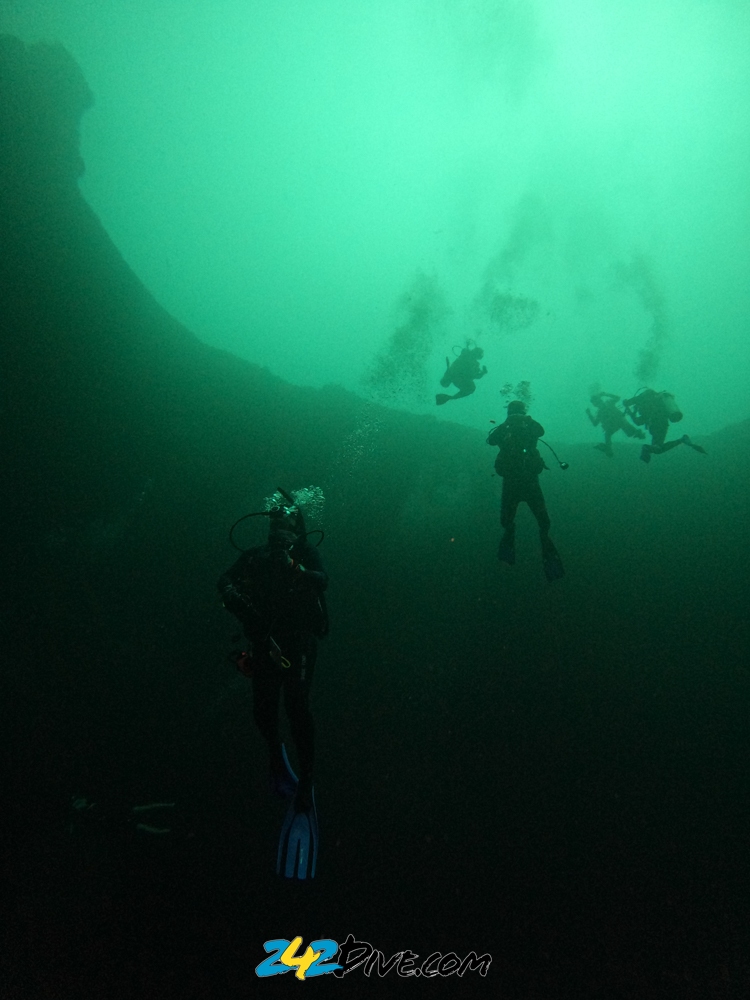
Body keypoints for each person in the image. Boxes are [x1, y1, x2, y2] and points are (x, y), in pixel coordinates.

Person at [217, 496, 328, 876]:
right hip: (265, 643)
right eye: (275, 522)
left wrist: (295, 566)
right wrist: (233, 598)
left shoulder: (306, 553)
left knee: (297, 707)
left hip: (298, 643)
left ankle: (306, 778)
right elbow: (225, 579)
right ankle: (277, 756)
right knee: (263, 710)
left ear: (297, 526)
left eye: (287, 522)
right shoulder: (255, 556)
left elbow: (323, 580)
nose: (280, 527)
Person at [487, 400, 564, 581]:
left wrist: (525, 420)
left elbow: (541, 431)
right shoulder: (507, 428)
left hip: (521, 481)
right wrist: (508, 423)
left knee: (538, 520)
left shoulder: (528, 427)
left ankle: (537, 546)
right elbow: (491, 441)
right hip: (522, 481)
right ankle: (517, 543)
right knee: (516, 519)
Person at [622, 389, 706, 464]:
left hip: (655, 425)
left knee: (658, 448)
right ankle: (681, 440)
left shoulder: (645, 402)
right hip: (663, 424)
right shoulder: (657, 401)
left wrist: (629, 410)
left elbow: (638, 421)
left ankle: (647, 448)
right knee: (658, 448)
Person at [586, 391, 645, 457]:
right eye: (595, 403)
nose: (597, 404)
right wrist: (589, 414)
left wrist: (606, 394)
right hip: (615, 425)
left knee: (609, 434)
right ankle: (608, 449)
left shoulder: (607, 405)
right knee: (608, 434)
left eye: (596, 402)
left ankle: (609, 449)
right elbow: (595, 423)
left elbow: (617, 398)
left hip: (619, 422)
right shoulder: (602, 410)